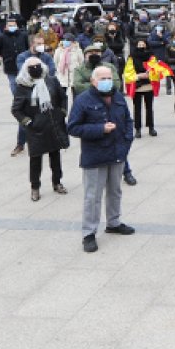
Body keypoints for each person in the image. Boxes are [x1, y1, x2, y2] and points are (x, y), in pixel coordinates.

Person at [67, 65, 135, 253]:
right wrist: (100, 129)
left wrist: (127, 140)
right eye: (102, 78)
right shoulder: (83, 100)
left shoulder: (118, 97)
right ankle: (89, 233)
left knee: (115, 191)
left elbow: (128, 120)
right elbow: (72, 127)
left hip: (117, 152)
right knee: (92, 196)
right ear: (93, 81)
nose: (106, 81)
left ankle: (113, 222)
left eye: (109, 78)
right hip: (94, 154)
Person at [12, 57, 69, 202]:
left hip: (53, 125)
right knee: (35, 160)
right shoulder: (22, 86)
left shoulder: (51, 80)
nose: (35, 68)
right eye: (32, 67)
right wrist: (28, 122)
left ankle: (57, 182)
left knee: (55, 157)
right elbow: (16, 109)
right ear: (26, 69)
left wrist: (62, 112)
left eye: (38, 65)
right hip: (36, 129)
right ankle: (35, 187)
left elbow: (63, 97)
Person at [128, 40, 157, 138]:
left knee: (149, 108)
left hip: (149, 85)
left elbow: (155, 70)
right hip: (137, 85)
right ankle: (137, 129)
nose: (141, 46)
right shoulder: (132, 57)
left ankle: (151, 127)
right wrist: (139, 76)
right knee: (137, 108)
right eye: (139, 44)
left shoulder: (151, 57)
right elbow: (128, 72)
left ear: (146, 46)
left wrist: (149, 74)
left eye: (143, 45)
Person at [0, 19, 29, 89]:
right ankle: (17, 98)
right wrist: (5, 55)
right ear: (6, 27)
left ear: (17, 26)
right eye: (10, 26)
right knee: (13, 83)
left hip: (23, 63)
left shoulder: (23, 35)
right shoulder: (2, 37)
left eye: (13, 25)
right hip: (9, 63)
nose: (12, 27)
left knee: (24, 83)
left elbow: (27, 47)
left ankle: (23, 98)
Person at [53, 33, 84, 102]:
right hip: (61, 77)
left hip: (74, 78)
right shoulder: (58, 50)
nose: (65, 41)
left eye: (68, 40)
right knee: (62, 98)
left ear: (73, 41)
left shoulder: (78, 50)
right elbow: (55, 62)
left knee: (74, 98)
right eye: (64, 39)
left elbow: (81, 63)